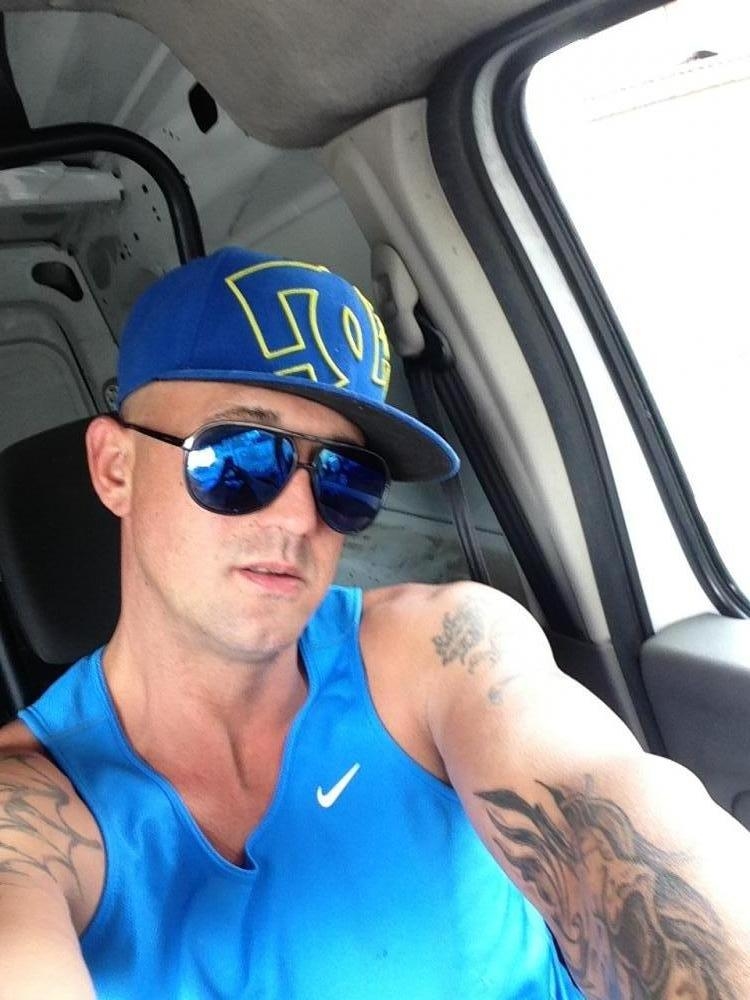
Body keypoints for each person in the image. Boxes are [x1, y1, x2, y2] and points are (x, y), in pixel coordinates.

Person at [0, 246, 748, 1000]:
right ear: (117, 467)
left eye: (344, 477)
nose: (300, 516)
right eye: (241, 457)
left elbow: (621, 828)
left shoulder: (442, 653)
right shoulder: (33, 803)